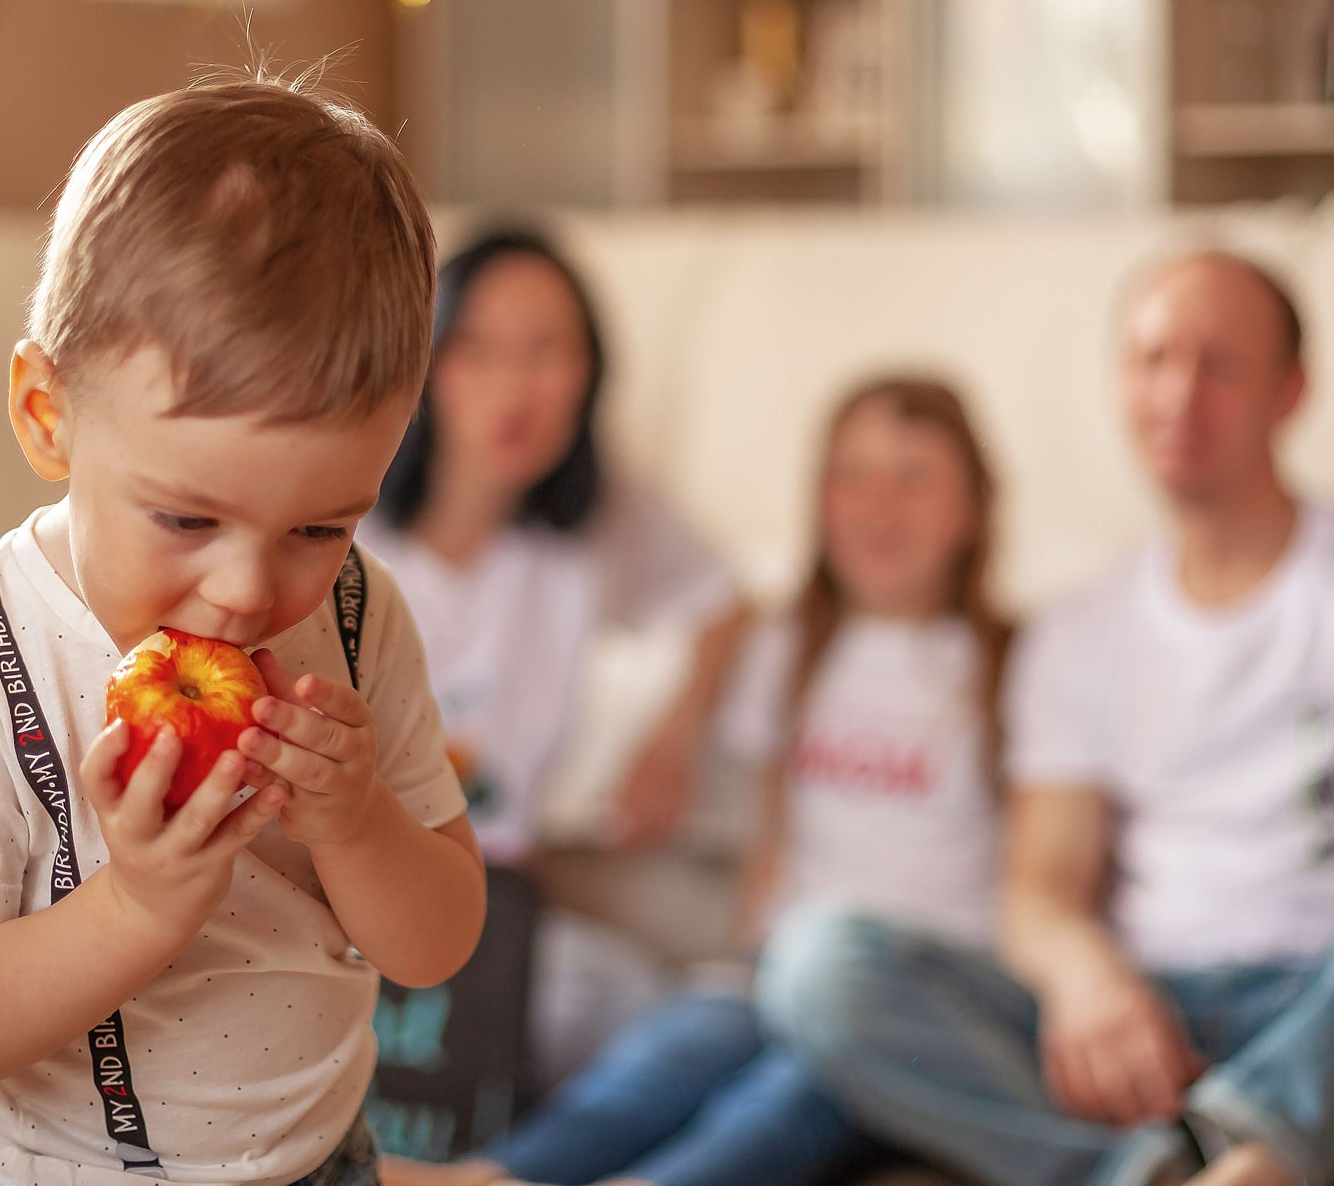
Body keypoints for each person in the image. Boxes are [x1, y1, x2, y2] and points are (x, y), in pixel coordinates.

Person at [0, 76, 487, 1186]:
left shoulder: (359, 617)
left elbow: (437, 940)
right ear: (48, 415)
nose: (243, 589)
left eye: (320, 524)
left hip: (329, 1157)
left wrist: (357, 823)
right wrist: (136, 904)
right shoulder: (8, 653)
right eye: (185, 517)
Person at [758, 251, 1334, 1186]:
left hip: (1314, 999)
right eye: (1152, 359)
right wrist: (1087, 978)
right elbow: (1041, 884)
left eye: (1219, 364)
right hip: (1147, 1010)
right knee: (816, 962)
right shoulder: (1079, 632)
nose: (1179, 393)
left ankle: (1242, 1138)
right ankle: (1172, 1165)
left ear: (1290, 391)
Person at [412, 374, 1012, 1186]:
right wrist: (746, 963)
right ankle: (493, 1175)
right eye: (852, 474)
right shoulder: (792, 647)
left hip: (909, 997)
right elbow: (772, 847)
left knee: (796, 1089)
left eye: (913, 477)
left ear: (973, 508)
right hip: (777, 973)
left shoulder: (1006, 664)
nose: (880, 503)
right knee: (676, 1047)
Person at [359, 228, 749, 1109]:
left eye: (548, 353)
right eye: (477, 348)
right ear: (425, 361)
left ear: (589, 377)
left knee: (712, 1027)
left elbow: (726, 602)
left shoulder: (598, 521)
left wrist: (674, 735)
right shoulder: (347, 519)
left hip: (498, 915)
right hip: (347, 904)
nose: (514, 388)